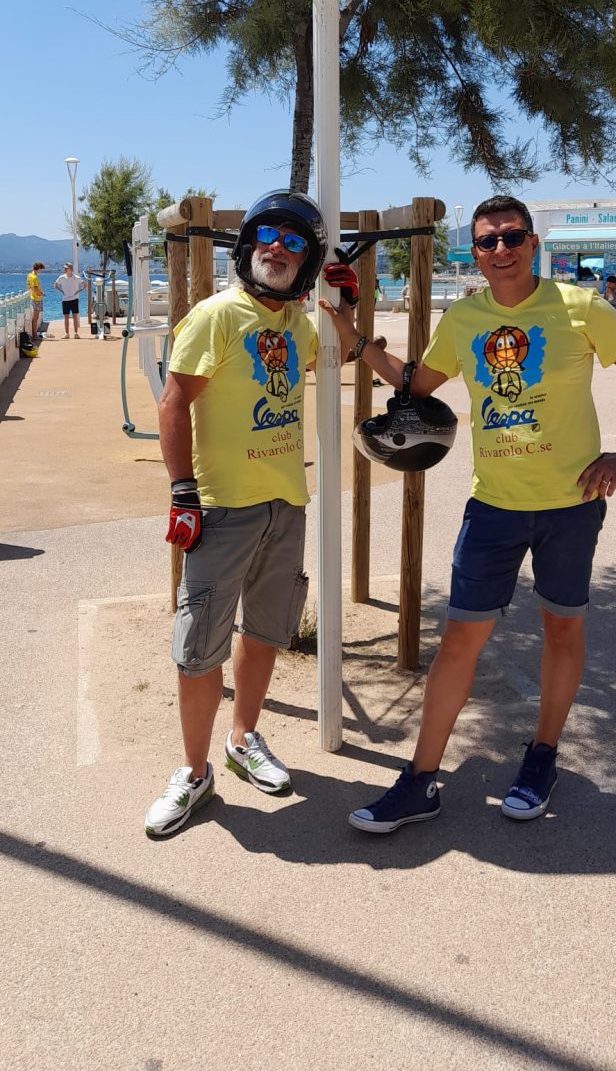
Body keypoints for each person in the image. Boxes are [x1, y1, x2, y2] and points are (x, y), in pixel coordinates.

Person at [320, 194, 616, 833]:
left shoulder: (582, 307)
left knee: (562, 630)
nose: (500, 250)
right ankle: (419, 780)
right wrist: (356, 339)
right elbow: (416, 383)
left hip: (571, 506)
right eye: (487, 241)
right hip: (493, 507)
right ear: (477, 253)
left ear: (533, 244)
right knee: (459, 639)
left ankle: (542, 757)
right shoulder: (465, 317)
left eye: (512, 237)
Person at [145, 191, 357, 837]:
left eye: (294, 243)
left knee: (265, 631)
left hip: (285, 502)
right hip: (221, 506)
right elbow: (173, 403)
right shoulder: (215, 316)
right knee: (198, 647)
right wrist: (183, 490)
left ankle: (243, 739)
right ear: (246, 246)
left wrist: (347, 305)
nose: (277, 249)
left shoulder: (298, 323)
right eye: (268, 236)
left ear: (307, 261)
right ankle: (194, 771)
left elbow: (343, 353)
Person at [54, 262, 86, 338]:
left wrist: (79, 291)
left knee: (75, 317)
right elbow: (55, 285)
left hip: (74, 299)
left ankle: (76, 333)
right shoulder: (61, 277)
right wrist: (61, 291)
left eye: (66, 268)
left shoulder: (76, 278)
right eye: (65, 268)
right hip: (65, 300)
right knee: (66, 317)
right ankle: (67, 334)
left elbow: (85, 285)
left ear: (70, 269)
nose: (65, 269)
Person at [27, 262, 45, 341]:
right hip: (36, 299)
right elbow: (35, 289)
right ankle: (35, 335)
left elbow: (28, 286)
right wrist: (41, 293)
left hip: (32, 297)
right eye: (41, 269)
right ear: (38, 268)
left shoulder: (29, 275)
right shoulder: (34, 278)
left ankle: (34, 334)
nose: (41, 271)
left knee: (35, 317)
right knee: (36, 317)